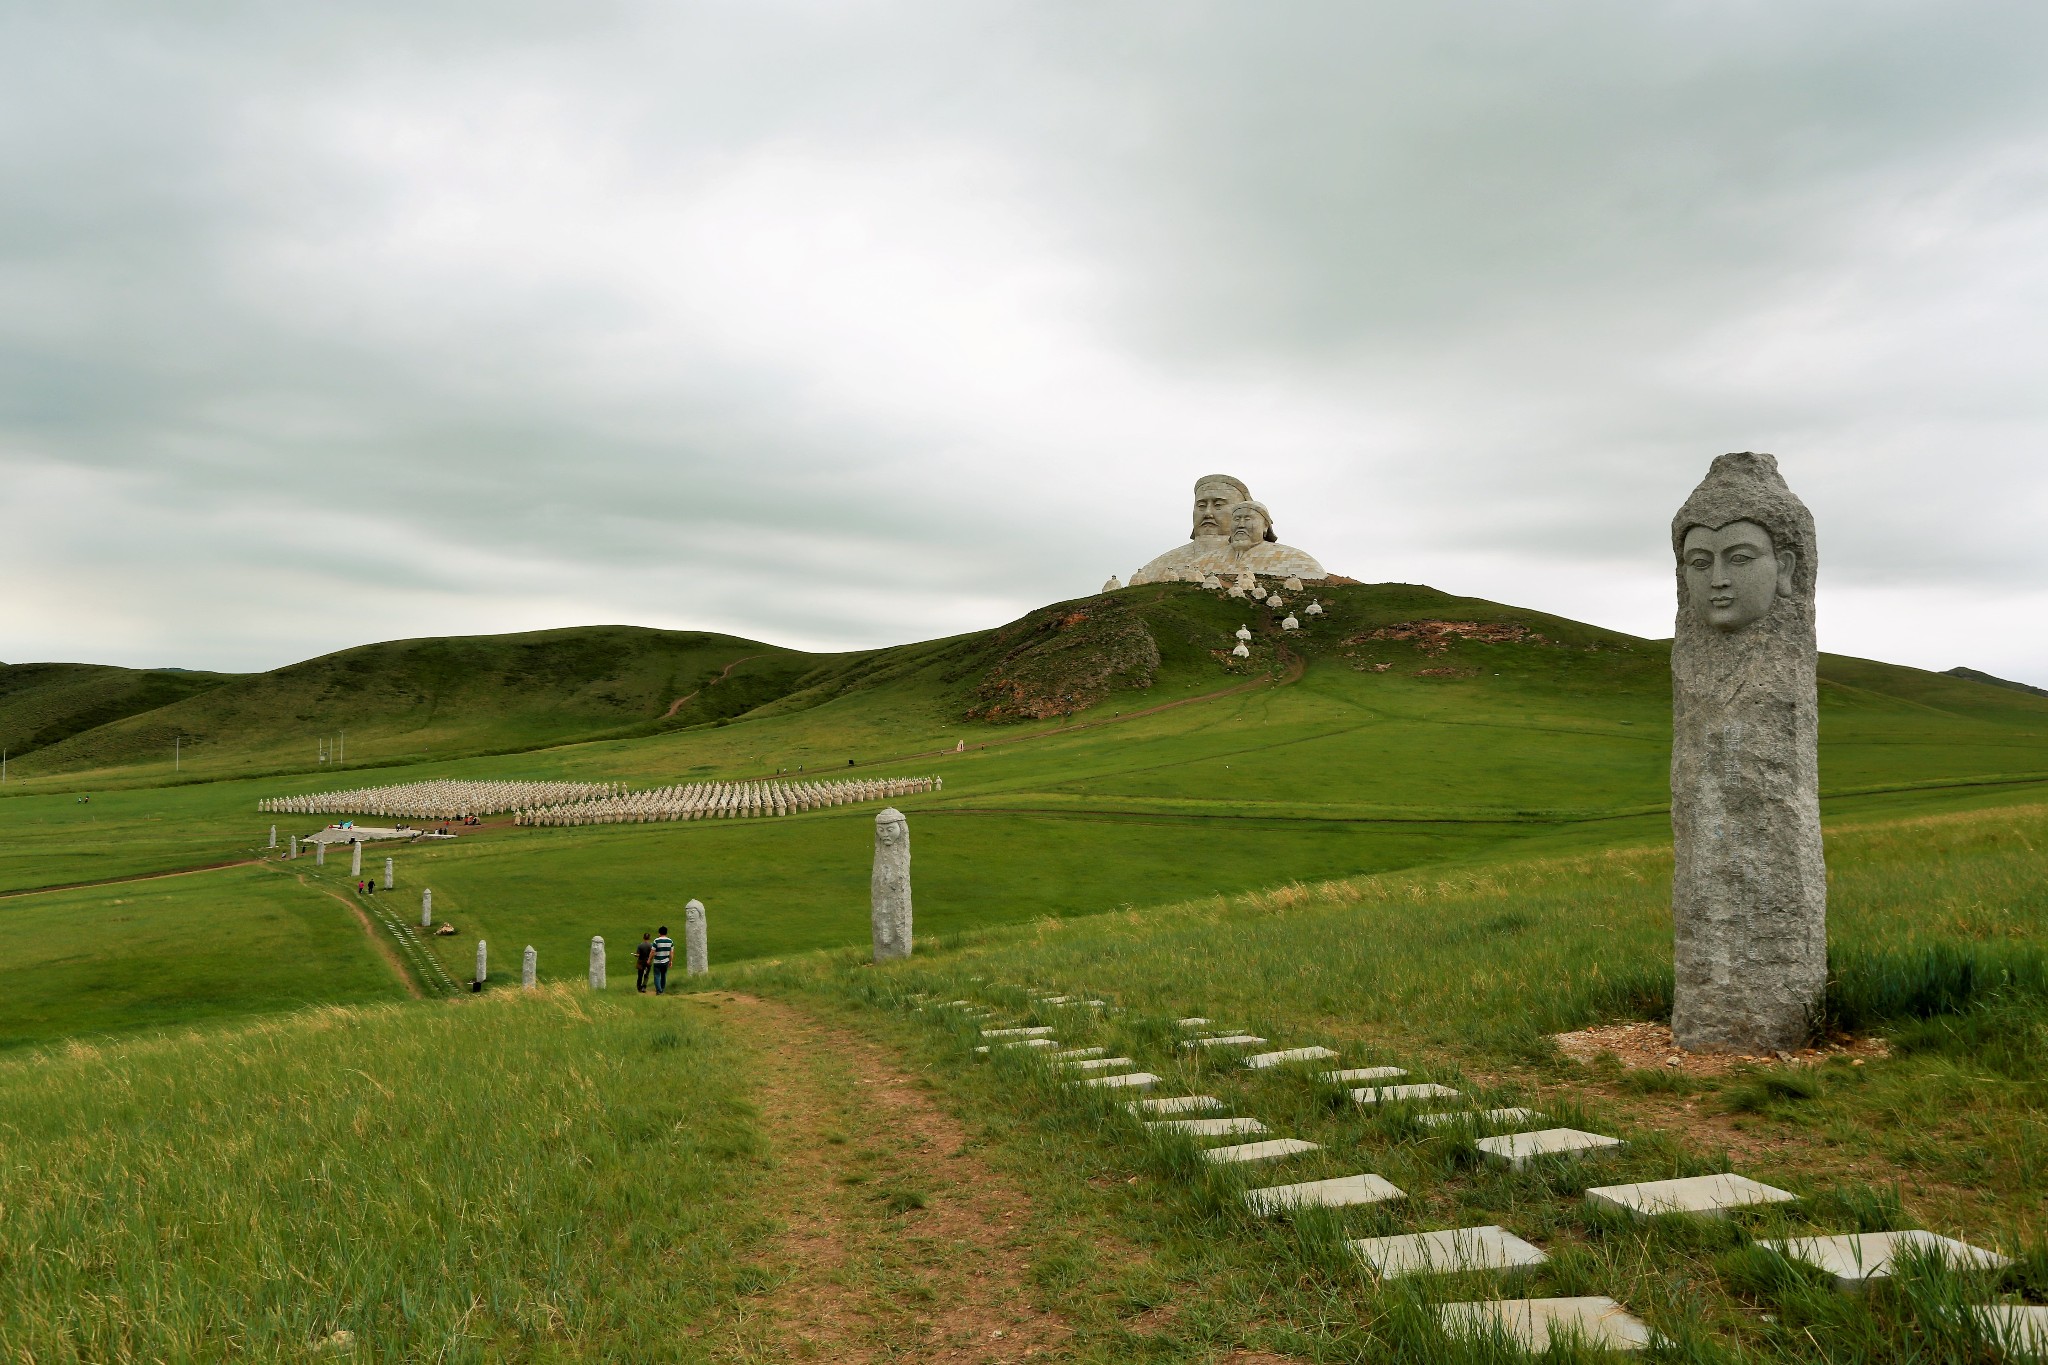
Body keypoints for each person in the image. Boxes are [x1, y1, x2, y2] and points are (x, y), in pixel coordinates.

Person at [650, 926, 674, 995]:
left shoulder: (656, 940)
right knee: (664, 975)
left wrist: (649, 959)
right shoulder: (670, 941)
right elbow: (671, 953)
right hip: (666, 961)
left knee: (657, 975)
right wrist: (670, 961)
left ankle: (659, 990)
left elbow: (652, 952)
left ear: (659, 933)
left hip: (657, 961)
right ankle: (662, 989)